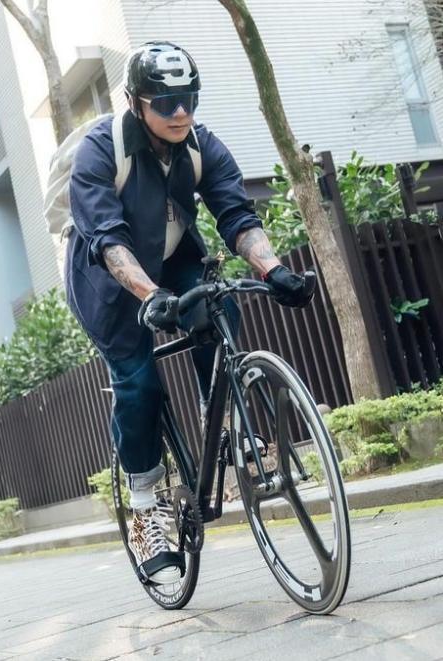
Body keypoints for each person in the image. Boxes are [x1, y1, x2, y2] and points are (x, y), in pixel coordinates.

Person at [65, 41, 313, 584]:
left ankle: (222, 424)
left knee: (217, 309)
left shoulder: (201, 145)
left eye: (189, 100)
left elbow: (236, 215)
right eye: (165, 102)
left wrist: (274, 270)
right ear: (136, 103)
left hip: (175, 256)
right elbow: (108, 240)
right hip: (108, 280)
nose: (180, 113)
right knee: (139, 385)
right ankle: (144, 505)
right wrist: (149, 293)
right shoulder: (100, 151)